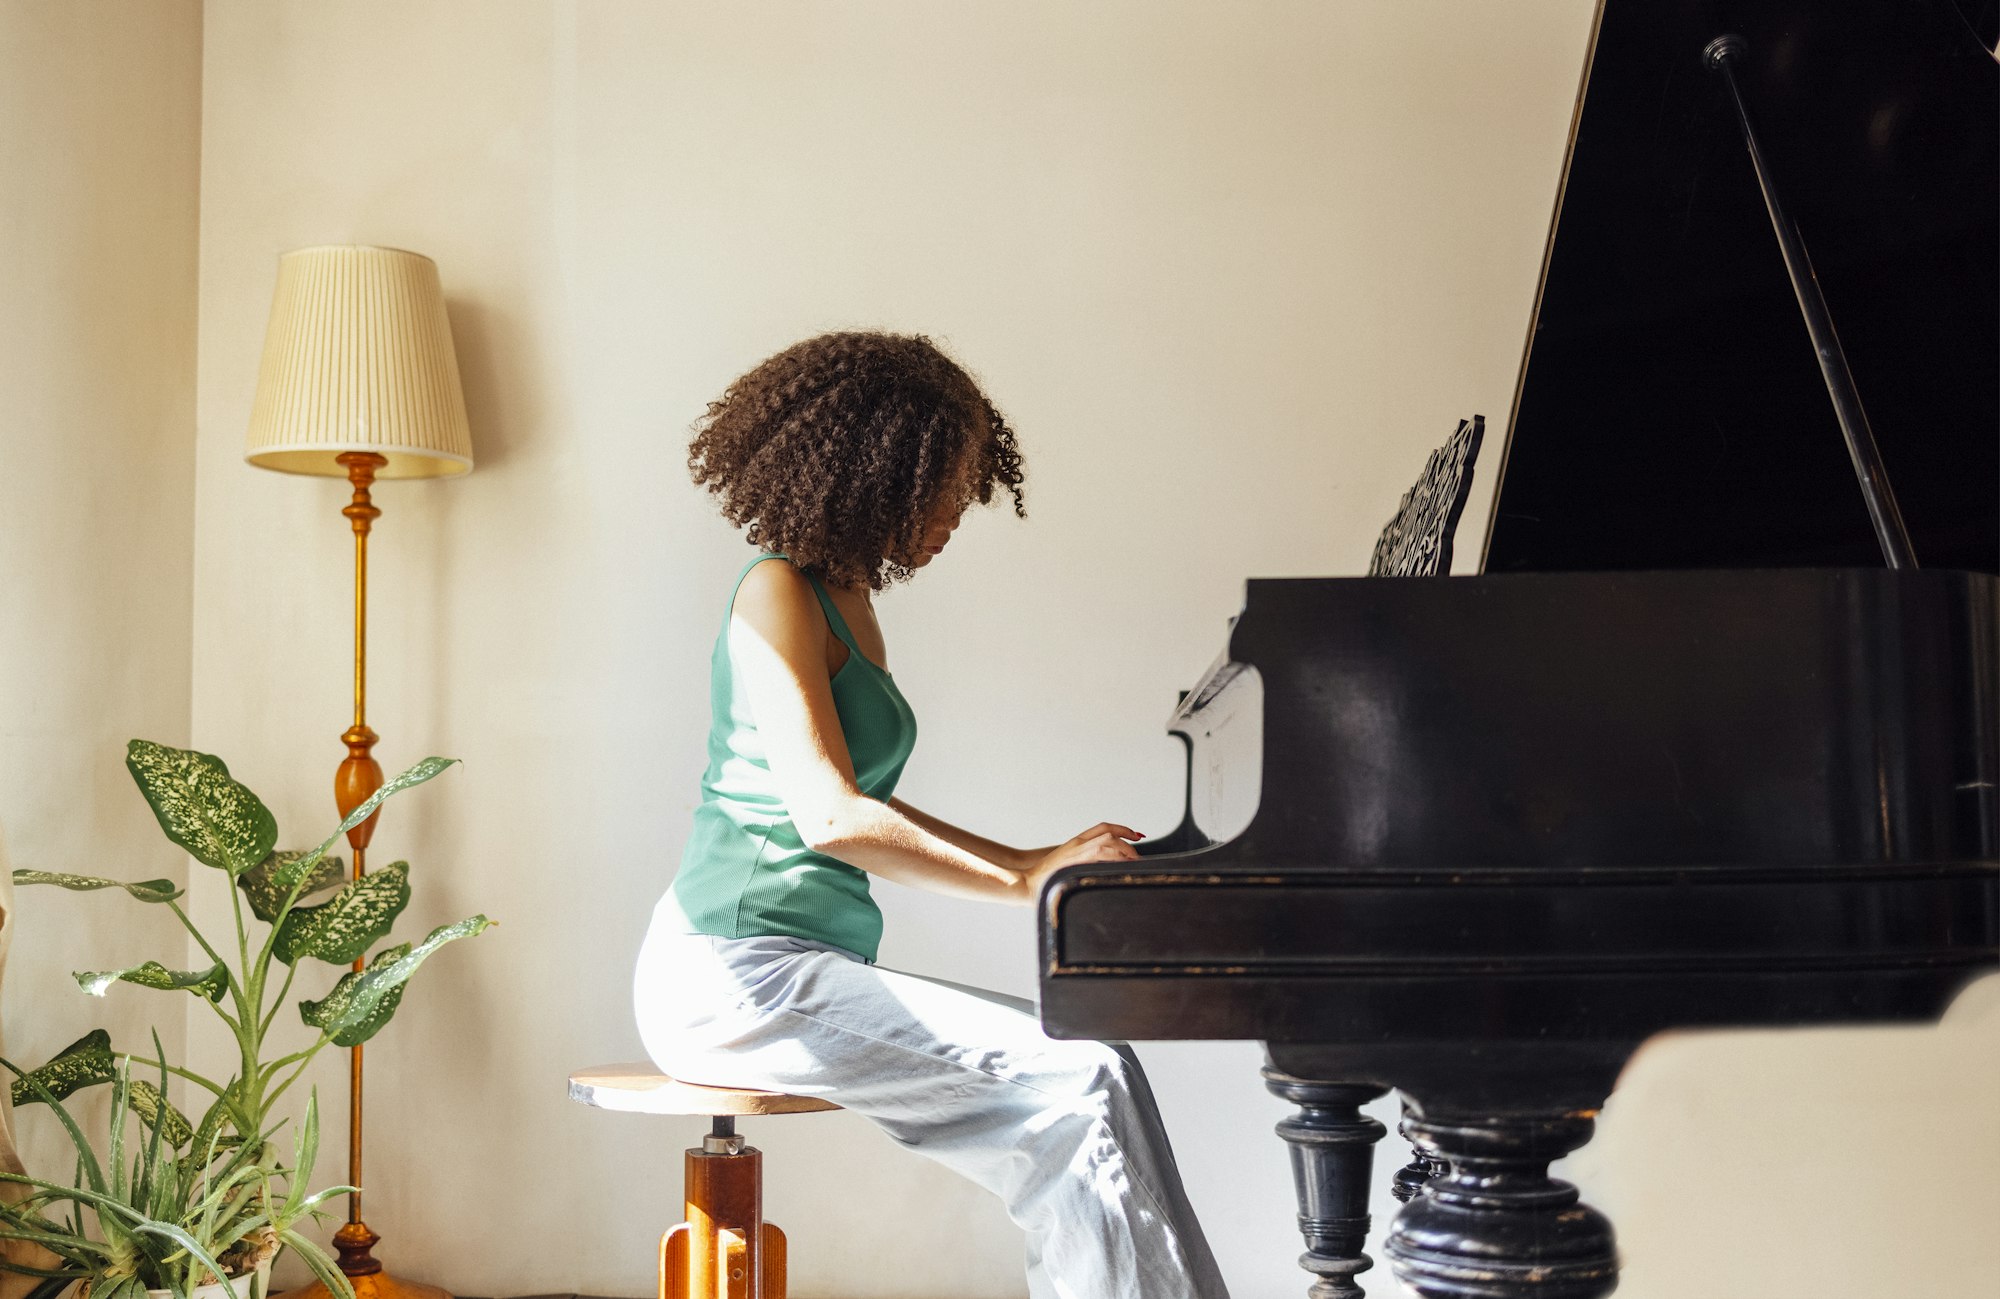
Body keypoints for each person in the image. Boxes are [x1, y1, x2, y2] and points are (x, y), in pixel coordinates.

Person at [632, 331, 1229, 1299]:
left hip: (792, 967)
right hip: (728, 976)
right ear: (880, 473)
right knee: (1074, 1093)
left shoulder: (847, 597)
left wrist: (1037, 862)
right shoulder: (773, 592)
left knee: (1094, 1063)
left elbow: (857, 806)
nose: (960, 508)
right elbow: (832, 815)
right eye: (946, 485)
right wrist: (1032, 874)